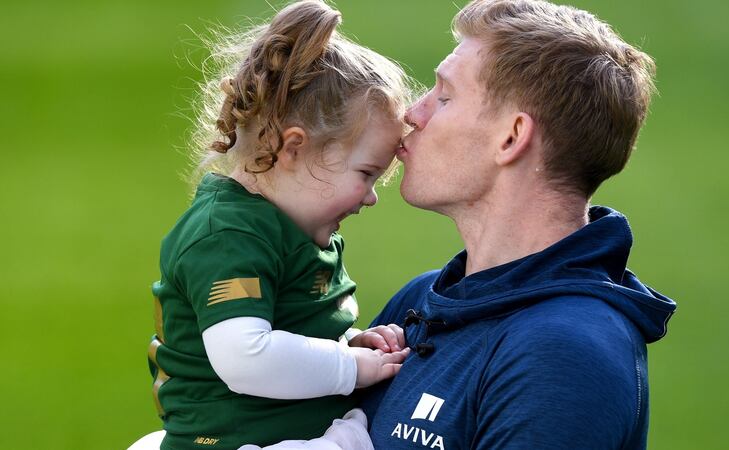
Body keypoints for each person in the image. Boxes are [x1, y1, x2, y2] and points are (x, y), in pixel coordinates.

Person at [356, 0, 677, 449]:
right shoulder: (421, 298)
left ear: (511, 137)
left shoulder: (562, 352)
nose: (413, 113)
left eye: (444, 96)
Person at [142, 1, 411, 449]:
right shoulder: (230, 235)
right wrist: (349, 366)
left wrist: (349, 340)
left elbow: (295, 328)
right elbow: (247, 356)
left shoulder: (292, 227)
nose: (371, 196)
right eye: (366, 174)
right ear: (293, 149)